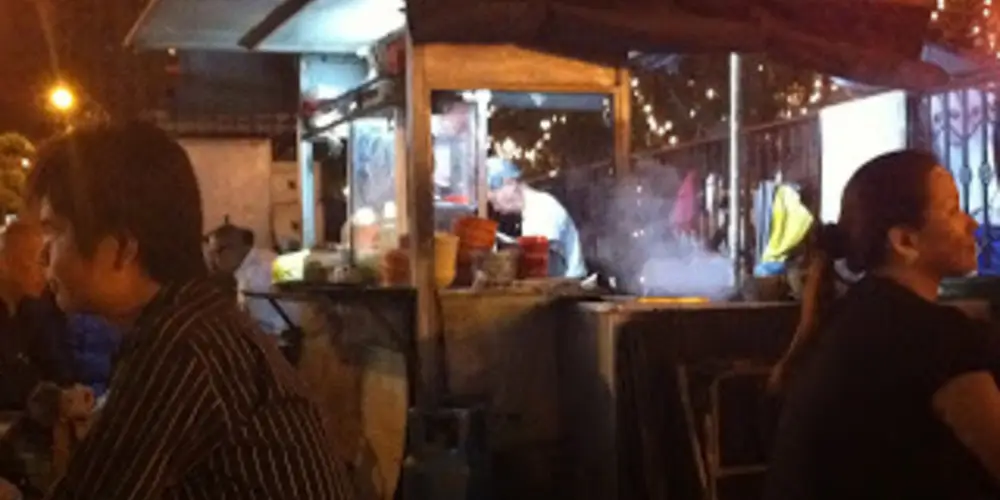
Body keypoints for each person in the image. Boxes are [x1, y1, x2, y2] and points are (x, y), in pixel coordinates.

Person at [17, 122, 355, 499]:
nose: (42, 253)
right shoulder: (189, 321)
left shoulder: (183, 345)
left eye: (54, 232)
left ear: (124, 249)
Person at [765, 149, 1000, 499]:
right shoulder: (929, 335)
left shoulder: (847, 318)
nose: (972, 223)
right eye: (952, 211)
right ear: (905, 241)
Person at [0, 221, 73, 410]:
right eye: (39, 262)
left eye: (47, 262)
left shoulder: (39, 309)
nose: (46, 273)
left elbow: (59, 370)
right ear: (5, 262)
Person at [486, 157, 586, 278]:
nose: (496, 209)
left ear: (510, 183)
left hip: (570, 291)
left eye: (495, 201)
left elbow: (543, 267)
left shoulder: (543, 208)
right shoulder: (531, 210)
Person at [205, 221, 300, 344]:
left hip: (279, 346)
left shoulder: (254, 277)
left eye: (216, 252)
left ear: (232, 247)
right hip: (287, 336)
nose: (214, 261)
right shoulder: (266, 256)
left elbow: (254, 326)